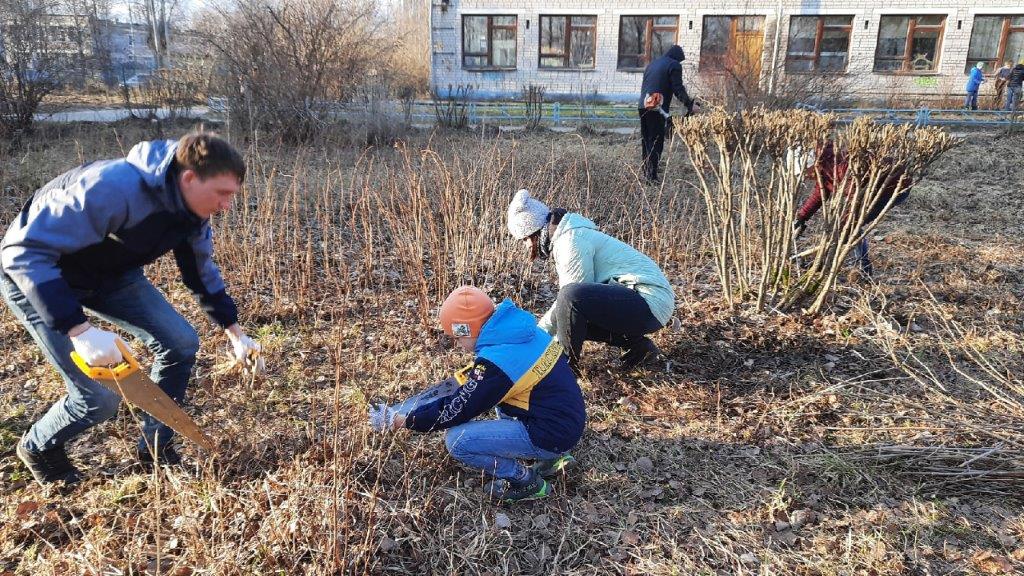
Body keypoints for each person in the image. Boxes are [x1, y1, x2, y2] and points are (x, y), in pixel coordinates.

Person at [2, 132, 261, 487]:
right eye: (223, 194)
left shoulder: (193, 213)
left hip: (110, 275)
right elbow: (23, 252)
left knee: (181, 343)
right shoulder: (112, 187)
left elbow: (201, 273)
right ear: (189, 179)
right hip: (35, 275)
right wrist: (79, 331)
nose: (226, 205)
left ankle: (155, 446)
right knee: (98, 399)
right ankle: (38, 448)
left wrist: (236, 334)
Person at [368, 286, 585, 504]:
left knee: (457, 441)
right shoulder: (519, 332)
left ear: (466, 329)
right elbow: (475, 382)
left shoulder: (496, 365)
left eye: (457, 338)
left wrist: (405, 420)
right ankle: (553, 459)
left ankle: (525, 480)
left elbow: (456, 410)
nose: (459, 345)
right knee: (501, 399)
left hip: (553, 435)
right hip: (566, 420)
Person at [506, 189, 675, 374]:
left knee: (570, 297)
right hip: (647, 304)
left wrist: (539, 340)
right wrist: (541, 335)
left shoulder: (570, 241)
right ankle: (641, 350)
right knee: (573, 310)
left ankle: (562, 369)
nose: (526, 246)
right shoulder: (568, 236)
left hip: (649, 300)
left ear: (534, 232)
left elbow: (571, 300)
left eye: (524, 240)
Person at [793, 142, 912, 278]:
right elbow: (821, 191)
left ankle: (863, 269)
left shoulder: (841, 166)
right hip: (871, 189)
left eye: (805, 174)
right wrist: (801, 217)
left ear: (811, 164)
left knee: (851, 225)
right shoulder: (825, 165)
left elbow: (856, 202)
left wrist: (843, 226)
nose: (806, 178)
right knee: (847, 225)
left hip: (892, 188)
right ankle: (824, 263)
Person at [637, 45, 697, 183]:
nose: (680, 63)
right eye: (680, 61)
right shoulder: (674, 64)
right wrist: (689, 104)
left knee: (646, 141)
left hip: (642, 105)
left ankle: (646, 173)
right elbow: (678, 88)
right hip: (656, 107)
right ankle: (651, 178)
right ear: (677, 58)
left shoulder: (653, 64)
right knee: (656, 141)